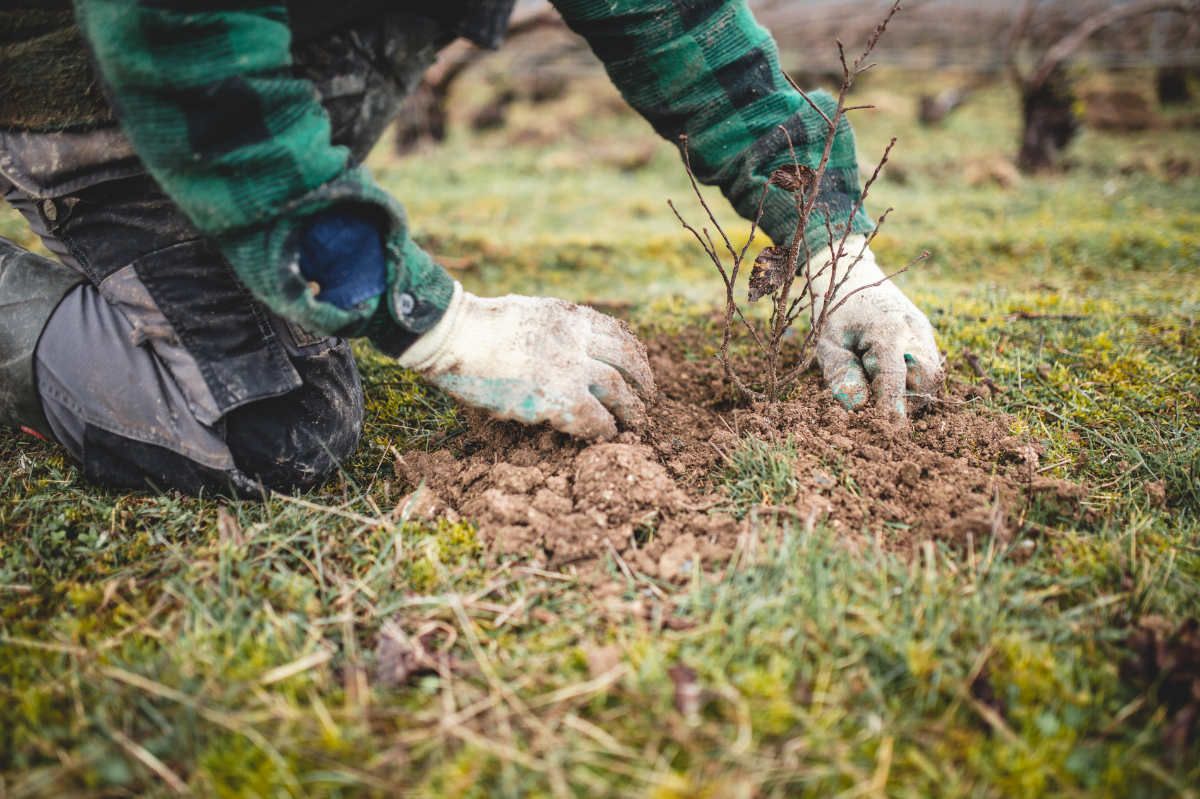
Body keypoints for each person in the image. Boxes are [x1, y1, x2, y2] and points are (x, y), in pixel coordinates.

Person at [0, 0, 942, 496]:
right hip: (105, 103)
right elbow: (191, 62)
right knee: (265, 426)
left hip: (275, 84)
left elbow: (673, 15)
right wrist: (446, 327)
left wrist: (828, 243)